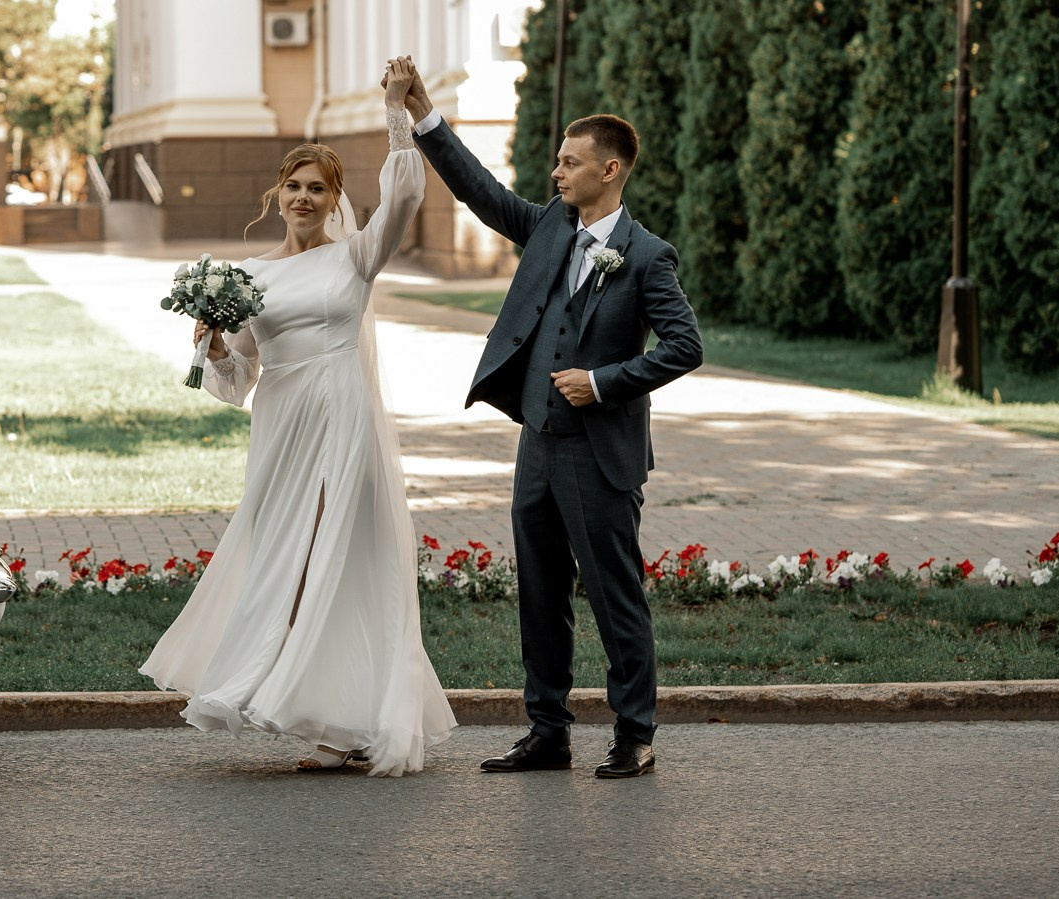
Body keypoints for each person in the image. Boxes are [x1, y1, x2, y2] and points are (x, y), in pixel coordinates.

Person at [141, 57, 455, 776]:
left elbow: (404, 198)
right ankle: (308, 700)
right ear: (277, 193)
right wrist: (216, 344)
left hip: (342, 413)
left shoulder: (356, 257)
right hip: (281, 424)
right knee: (284, 555)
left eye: (318, 187)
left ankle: (344, 719)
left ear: (336, 198)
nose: (304, 196)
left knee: (337, 556)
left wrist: (394, 112)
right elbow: (239, 378)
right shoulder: (250, 276)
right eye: (295, 185)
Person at [400, 72, 702, 780]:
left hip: (600, 455)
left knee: (613, 593)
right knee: (538, 592)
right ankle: (548, 729)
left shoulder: (648, 255)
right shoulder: (547, 227)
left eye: (569, 161)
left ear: (610, 168)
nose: (556, 170)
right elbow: (480, 191)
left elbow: (685, 346)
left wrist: (602, 381)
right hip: (538, 442)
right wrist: (423, 113)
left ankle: (635, 732)